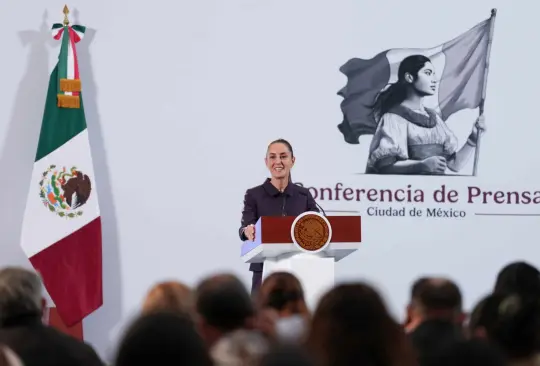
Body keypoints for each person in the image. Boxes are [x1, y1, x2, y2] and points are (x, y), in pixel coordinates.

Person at [366, 54, 486, 175]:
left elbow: (454, 165)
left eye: (433, 74)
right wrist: (421, 165)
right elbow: (385, 167)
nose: (434, 79)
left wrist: (473, 139)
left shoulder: (435, 119)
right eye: (428, 73)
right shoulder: (394, 118)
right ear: (409, 77)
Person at [238, 139, 319, 295]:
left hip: (299, 267)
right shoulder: (254, 195)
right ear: (266, 161)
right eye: (273, 157)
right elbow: (245, 227)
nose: (278, 162)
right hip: (264, 268)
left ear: (292, 160)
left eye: (283, 156)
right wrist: (247, 231)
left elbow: (317, 223)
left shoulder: (303, 195)